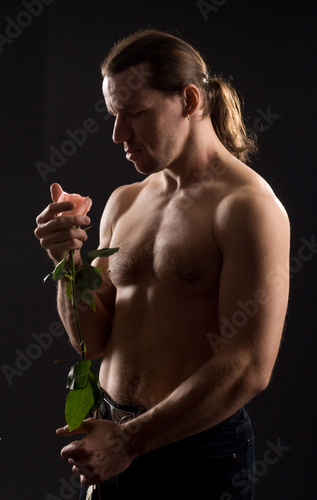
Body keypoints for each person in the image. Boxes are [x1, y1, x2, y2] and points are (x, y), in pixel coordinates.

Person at [35, 30, 290, 499]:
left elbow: (250, 365)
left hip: (196, 451)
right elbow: (90, 340)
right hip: (111, 437)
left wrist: (131, 441)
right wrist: (68, 261)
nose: (118, 135)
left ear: (189, 100)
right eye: (114, 116)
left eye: (135, 114)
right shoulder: (124, 202)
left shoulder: (247, 206)